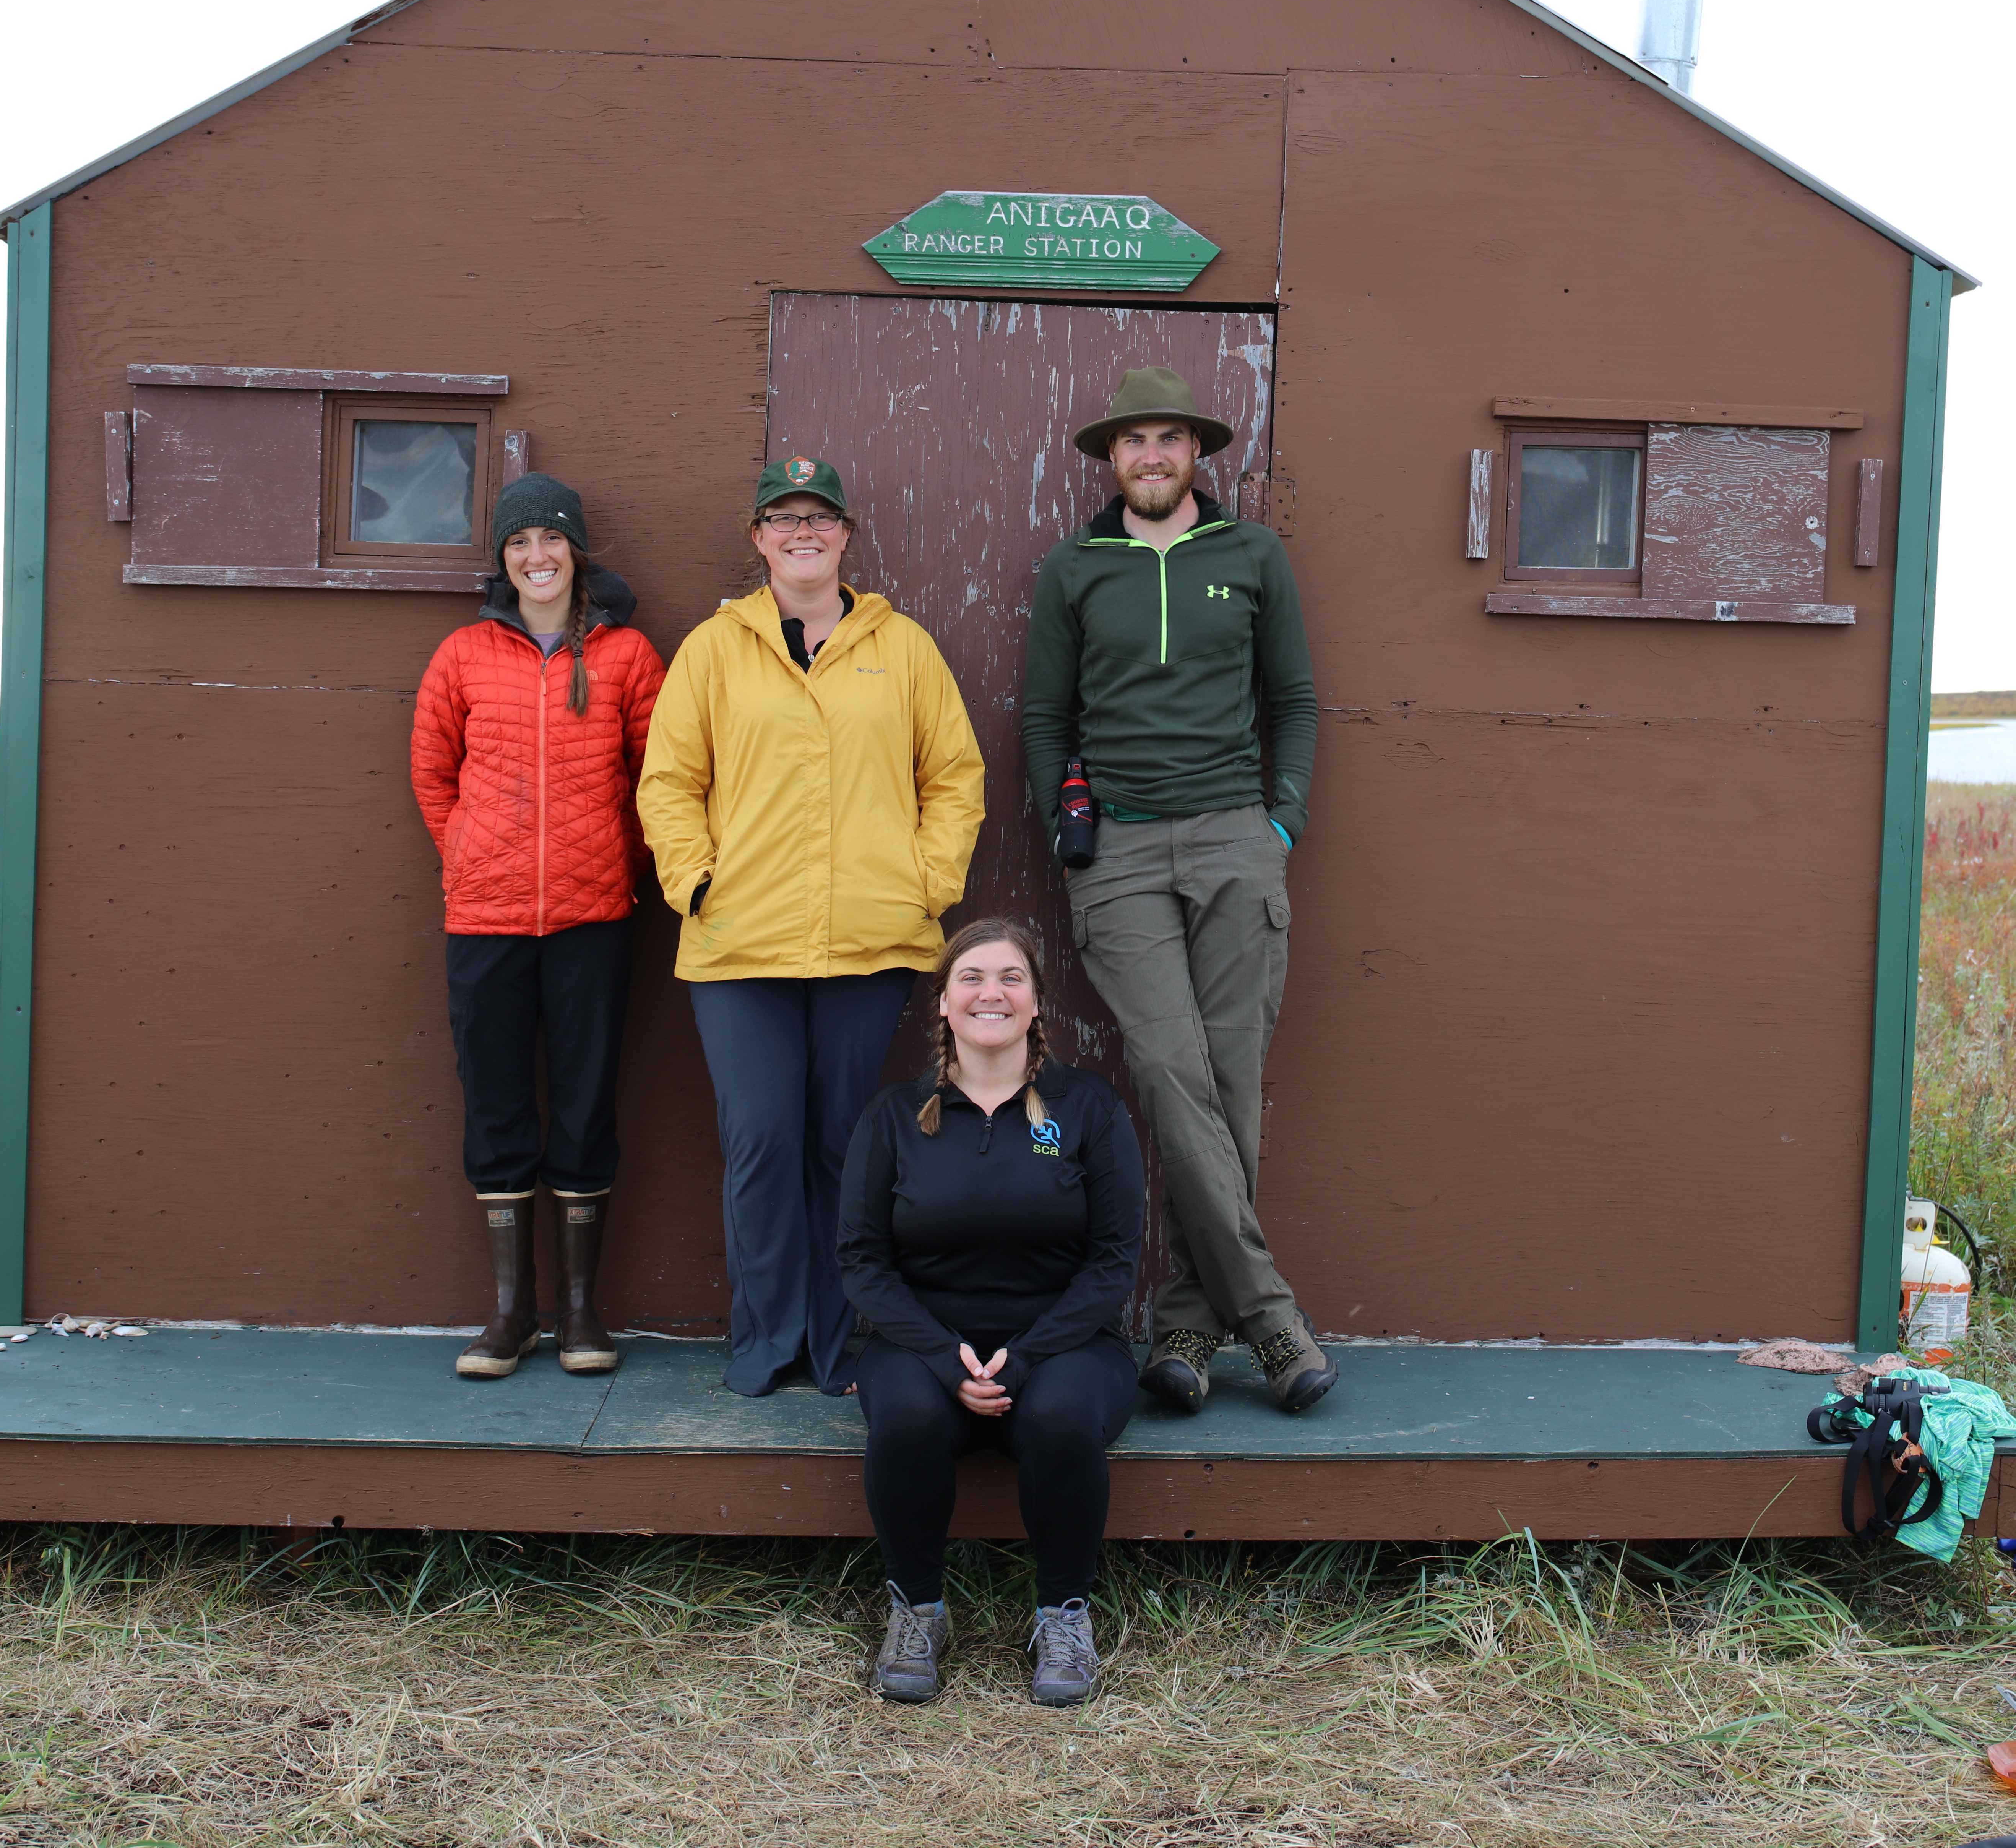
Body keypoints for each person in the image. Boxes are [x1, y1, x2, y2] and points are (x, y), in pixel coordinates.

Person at [1020, 365, 1334, 1417]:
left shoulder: (1251, 555)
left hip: (1234, 838)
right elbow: (1043, 713)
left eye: (1169, 439)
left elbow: (1292, 697)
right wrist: (1062, 814)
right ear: (1110, 460)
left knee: (1229, 1080)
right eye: (1132, 442)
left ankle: (1191, 1328)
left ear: (1197, 452)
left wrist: (1279, 822)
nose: (1151, 456)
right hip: (1119, 852)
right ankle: (1272, 1316)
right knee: (1168, 1070)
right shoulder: (1076, 567)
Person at [637, 456, 986, 1397]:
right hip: (739, 942)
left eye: (820, 517)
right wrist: (696, 884)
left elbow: (955, 775)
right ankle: (766, 1340)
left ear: (845, 535)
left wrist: (926, 882)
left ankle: (837, 1343)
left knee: (843, 1139)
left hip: (869, 942)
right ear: (757, 538)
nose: (803, 532)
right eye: (783, 518)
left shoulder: (901, 646)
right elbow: (670, 782)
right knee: (758, 1139)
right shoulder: (714, 650)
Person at [838, 919, 1143, 1706]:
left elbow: (1114, 1259)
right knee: (903, 1416)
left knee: (1061, 1417)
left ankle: (1063, 1615)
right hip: (922, 1341)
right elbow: (863, 1262)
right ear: (943, 1003)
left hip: (1066, 1342)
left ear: (1037, 1002)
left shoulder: (1089, 1108)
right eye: (972, 977)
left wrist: (1033, 1354)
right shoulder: (895, 1117)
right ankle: (918, 1610)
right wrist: (944, 1358)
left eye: (1012, 977)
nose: (991, 993)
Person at [410, 472, 667, 1381]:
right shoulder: (463, 656)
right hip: (485, 920)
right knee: (497, 1103)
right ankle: (512, 1313)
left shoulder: (629, 655)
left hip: (595, 917)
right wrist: (473, 854)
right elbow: (433, 776)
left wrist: (616, 861)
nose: (537, 557)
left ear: (577, 551)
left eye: (552, 540)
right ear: (504, 561)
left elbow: (657, 779)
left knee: (587, 1101)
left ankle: (583, 1312)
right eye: (520, 544)